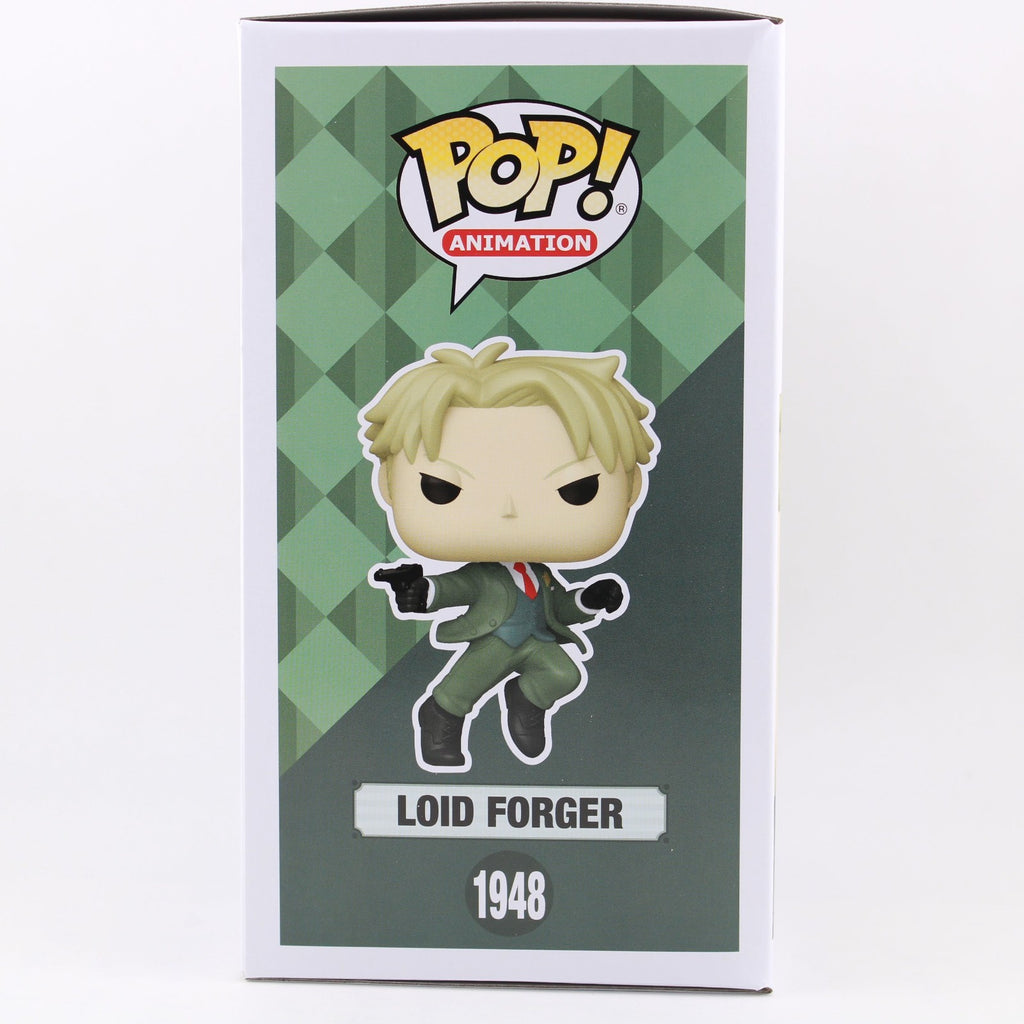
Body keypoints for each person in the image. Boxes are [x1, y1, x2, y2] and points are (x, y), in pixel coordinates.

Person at [359, 338, 657, 772]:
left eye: (578, 489)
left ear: (630, 488)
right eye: (441, 488)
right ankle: (439, 718)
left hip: (537, 643)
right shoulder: (482, 575)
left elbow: (557, 607)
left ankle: (527, 701)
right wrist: (418, 591)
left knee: (566, 674)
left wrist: (589, 600)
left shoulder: (541, 573)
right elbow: (451, 588)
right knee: (460, 691)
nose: (509, 511)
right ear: (389, 484)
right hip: (494, 641)